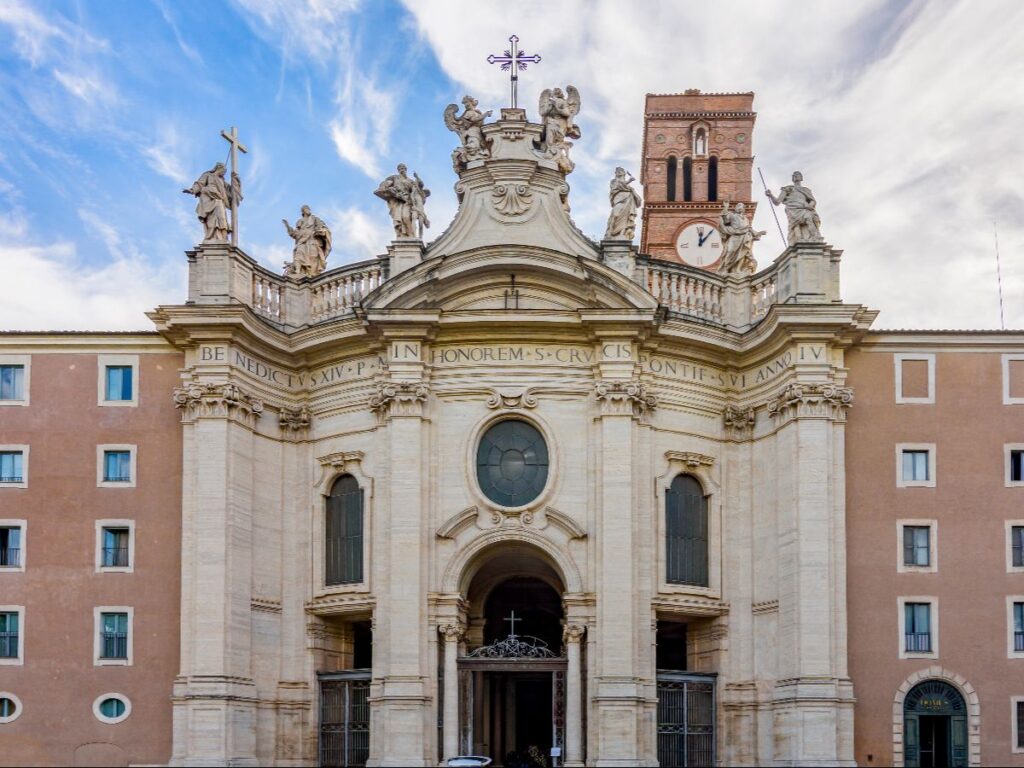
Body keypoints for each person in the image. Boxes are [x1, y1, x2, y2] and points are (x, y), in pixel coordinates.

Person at [183, 162, 242, 243]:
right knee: (211, 219)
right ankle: (212, 237)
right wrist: (192, 190)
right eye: (223, 171)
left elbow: (231, 191)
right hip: (208, 199)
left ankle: (222, 237)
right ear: (218, 168)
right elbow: (200, 184)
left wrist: (236, 181)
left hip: (219, 200)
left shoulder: (222, 181)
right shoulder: (208, 175)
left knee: (221, 218)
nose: (224, 173)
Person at [765, 171, 822, 244]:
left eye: (797, 175)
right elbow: (777, 202)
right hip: (792, 209)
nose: (795, 176)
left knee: (809, 219)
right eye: (794, 175)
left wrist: (810, 205)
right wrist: (770, 195)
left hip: (804, 208)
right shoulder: (788, 189)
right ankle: (798, 240)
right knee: (795, 225)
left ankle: (815, 237)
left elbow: (812, 200)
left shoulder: (806, 190)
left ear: (801, 178)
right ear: (792, 178)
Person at [282, 205, 331, 278]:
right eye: (306, 209)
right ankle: (298, 271)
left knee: (313, 257)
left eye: (308, 209)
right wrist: (287, 226)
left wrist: (320, 231)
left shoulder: (314, 219)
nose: (308, 210)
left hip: (313, 241)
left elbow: (323, 228)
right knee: (299, 255)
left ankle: (312, 275)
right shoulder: (300, 221)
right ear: (303, 211)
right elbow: (295, 233)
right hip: (302, 241)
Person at [604, 167, 641, 240]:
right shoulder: (614, 181)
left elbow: (638, 200)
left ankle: (622, 234)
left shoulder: (629, 187)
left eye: (620, 171)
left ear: (624, 173)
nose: (618, 172)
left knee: (626, 218)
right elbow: (618, 186)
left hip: (627, 201)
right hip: (619, 200)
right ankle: (610, 233)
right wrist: (629, 181)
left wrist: (632, 190)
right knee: (615, 215)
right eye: (617, 171)